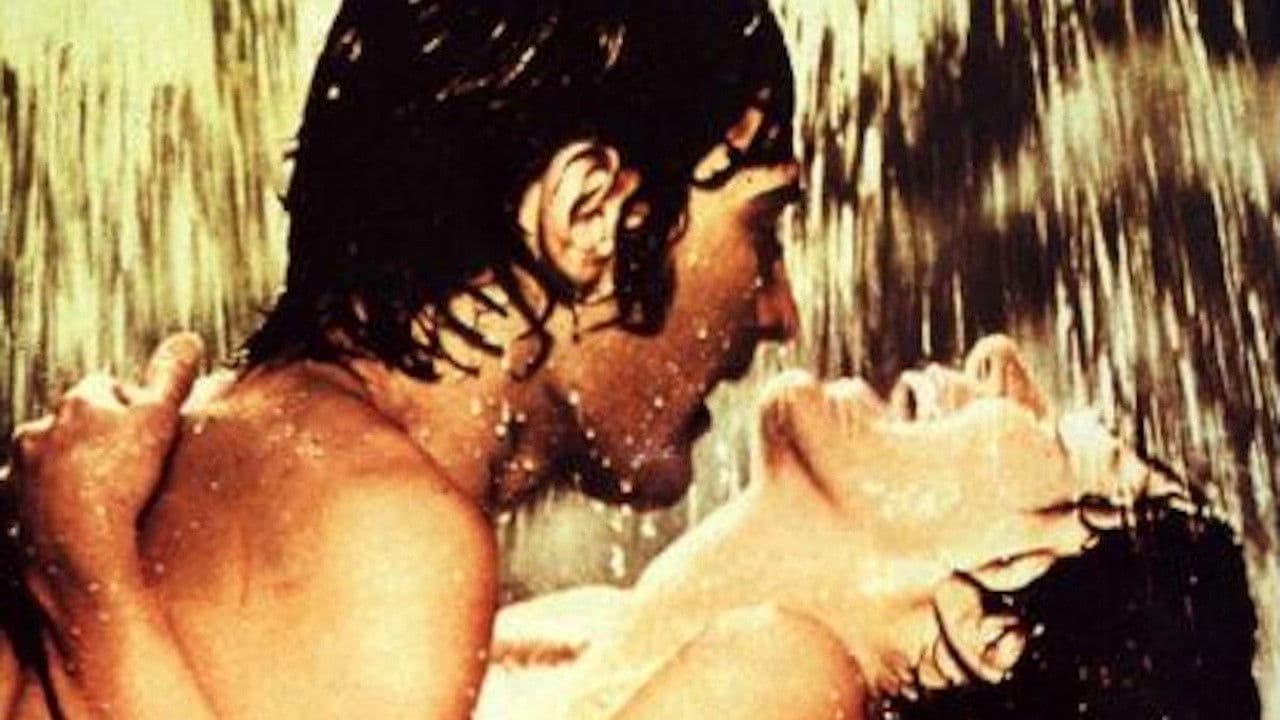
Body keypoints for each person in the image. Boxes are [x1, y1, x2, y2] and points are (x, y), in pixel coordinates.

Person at [2, 0, 814, 717]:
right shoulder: (390, 536)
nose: (781, 313)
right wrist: (85, 579)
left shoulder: (229, 444)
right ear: (587, 209)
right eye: (763, 228)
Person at [474, 340, 1260, 720]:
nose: (997, 361)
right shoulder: (573, 631)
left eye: (1062, 443)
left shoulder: (785, 686)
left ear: (995, 635)